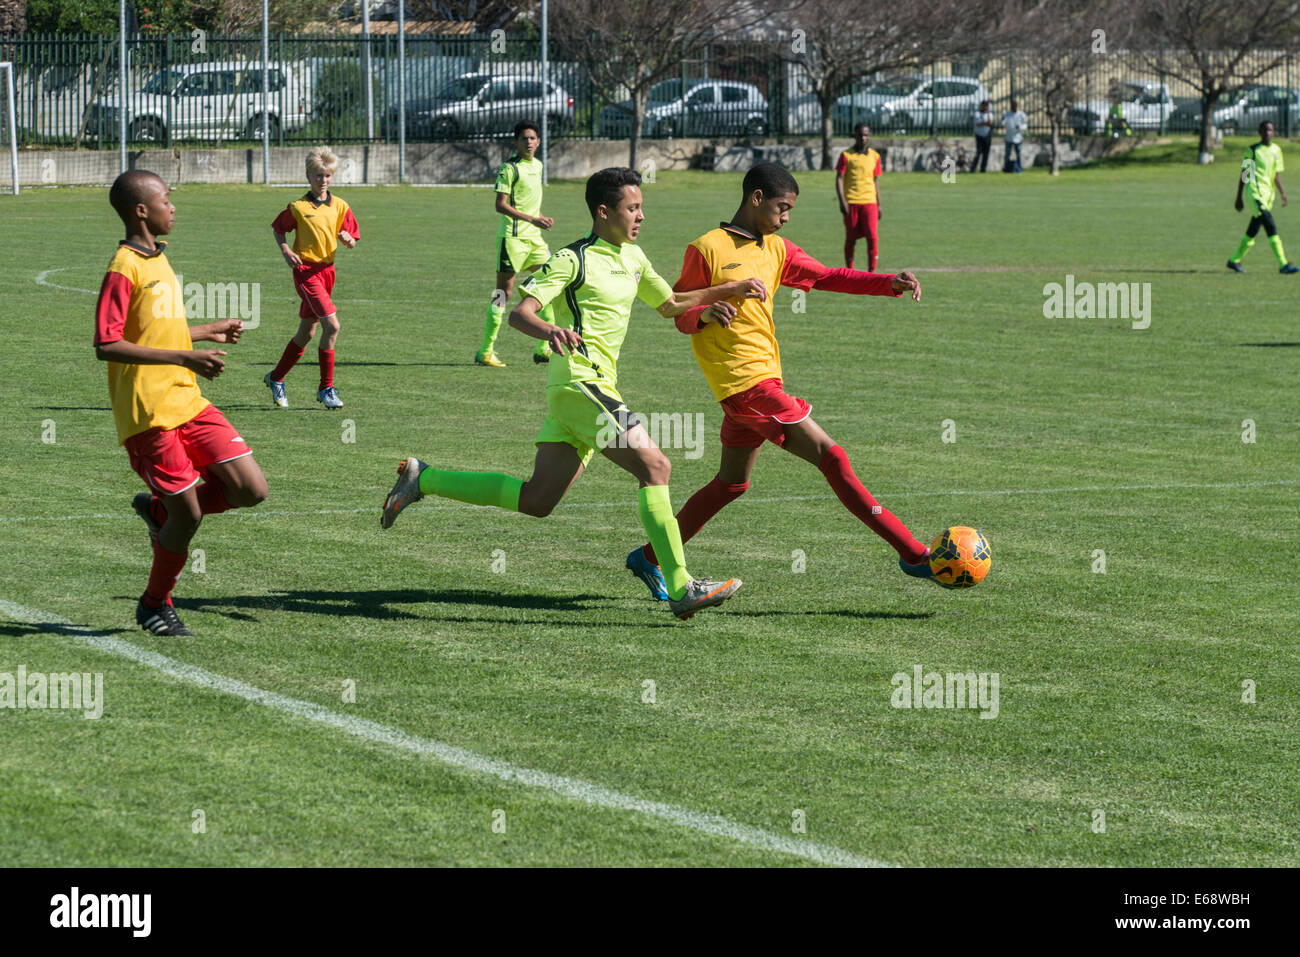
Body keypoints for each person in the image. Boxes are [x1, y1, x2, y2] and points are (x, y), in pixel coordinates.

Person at [381, 167, 767, 620]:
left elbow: (671, 305)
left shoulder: (634, 257)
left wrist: (730, 289)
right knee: (656, 465)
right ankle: (681, 585)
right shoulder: (573, 259)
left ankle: (422, 478)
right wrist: (550, 329)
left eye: (641, 207)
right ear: (604, 212)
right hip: (580, 384)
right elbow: (521, 313)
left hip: (587, 392)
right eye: (632, 208)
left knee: (537, 500)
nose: (641, 216)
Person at [624, 164, 943, 600]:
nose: (786, 216)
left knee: (731, 485)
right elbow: (679, 312)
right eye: (782, 207)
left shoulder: (777, 249)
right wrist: (705, 314)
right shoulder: (707, 249)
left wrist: (887, 282)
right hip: (747, 386)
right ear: (756, 198)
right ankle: (910, 552)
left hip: (756, 387)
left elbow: (828, 275)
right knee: (833, 458)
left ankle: (650, 557)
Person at [95, 170, 269, 637]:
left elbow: (155, 331)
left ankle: (158, 513)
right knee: (188, 515)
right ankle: (155, 605)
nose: (173, 207)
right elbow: (106, 343)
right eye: (166, 200)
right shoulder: (124, 266)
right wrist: (185, 356)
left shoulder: (159, 259)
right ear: (141, 211)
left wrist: (206, 331)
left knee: (250, 489)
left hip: (187, 401)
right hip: (147, 413)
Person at [265, 146, 359, 409]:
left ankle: (276, 377)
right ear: (308, 176)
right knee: (333, 326)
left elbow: (352, 238)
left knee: (306, 332)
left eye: (327, 175)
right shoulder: (298, 207)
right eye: (318, 175)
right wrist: (285, 250)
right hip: (306, 272)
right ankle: (326, 388)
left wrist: (348, 240)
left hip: (328, 272)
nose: (323, 180)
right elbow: (278, 228)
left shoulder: (340, 205)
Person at [478, 120, 557, 367]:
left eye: (533, 138)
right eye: (524, 138)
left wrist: (539, 219)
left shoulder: (539, 166)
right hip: (512, 239)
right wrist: (532, 219)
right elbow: (500, 205)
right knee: (504, 293)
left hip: (535, 240)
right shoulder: (509, 168)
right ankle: (486, 350)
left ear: (539, 141)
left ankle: (544, 347)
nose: (529, 142)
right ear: (516, 141)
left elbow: (530, 201)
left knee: (551, 284)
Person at [1228, 121, 1297, 274]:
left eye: (1270, 130)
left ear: (1274, 132)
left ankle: (1234, 260)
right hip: (1254, 194)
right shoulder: (1252, 150)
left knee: (1254, 229)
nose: (1267, 132)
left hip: (1268, 196)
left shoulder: (1276, 150)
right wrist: (1238, 196)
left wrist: (1282, 193)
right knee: (1270, 226)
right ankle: (1283, 264)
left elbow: (1276, 174)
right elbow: (1245, 175)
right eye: (1264, 129)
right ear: (1259, 132)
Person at [834, 122, 883, 270]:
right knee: (851, 239)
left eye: (866, 134)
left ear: (869, 136)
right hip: (852, 202)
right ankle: (850, 270)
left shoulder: (875, 156)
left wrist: (879, 204)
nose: (863, 137)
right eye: (860, 134)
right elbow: (839, 178)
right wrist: (842, 201)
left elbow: (875, 181)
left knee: (872, 237)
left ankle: (871, 272)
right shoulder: (846, 155)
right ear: (854, 135)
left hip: (870, 202)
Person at [1001, 100, 1027, 173]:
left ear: (1016, 106)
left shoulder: (1021, 114)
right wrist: (1002, 120)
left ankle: (1019, 169)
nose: (1013, 107)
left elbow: (1025, 125)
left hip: (1018, 137)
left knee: (1018, 154)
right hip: (1009, 137)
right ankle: (1006, 168)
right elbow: (1002, 123)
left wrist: (1020, 127)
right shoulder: (1007, 114)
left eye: (1014, 106)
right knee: (1007, 154)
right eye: (1012, 106)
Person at [972, 99, 993, 172]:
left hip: (987, 136)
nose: (985, 107)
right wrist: (985, 123)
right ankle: (973, 168)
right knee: (978, 153)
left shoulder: (989, 114)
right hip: (979, 136)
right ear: (981, 106)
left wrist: (987, 114)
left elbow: (990, 124)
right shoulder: (977, 114)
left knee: (986, 153)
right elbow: (978, 124)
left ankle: (983, 169)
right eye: (984, 105)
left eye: (986, 106)